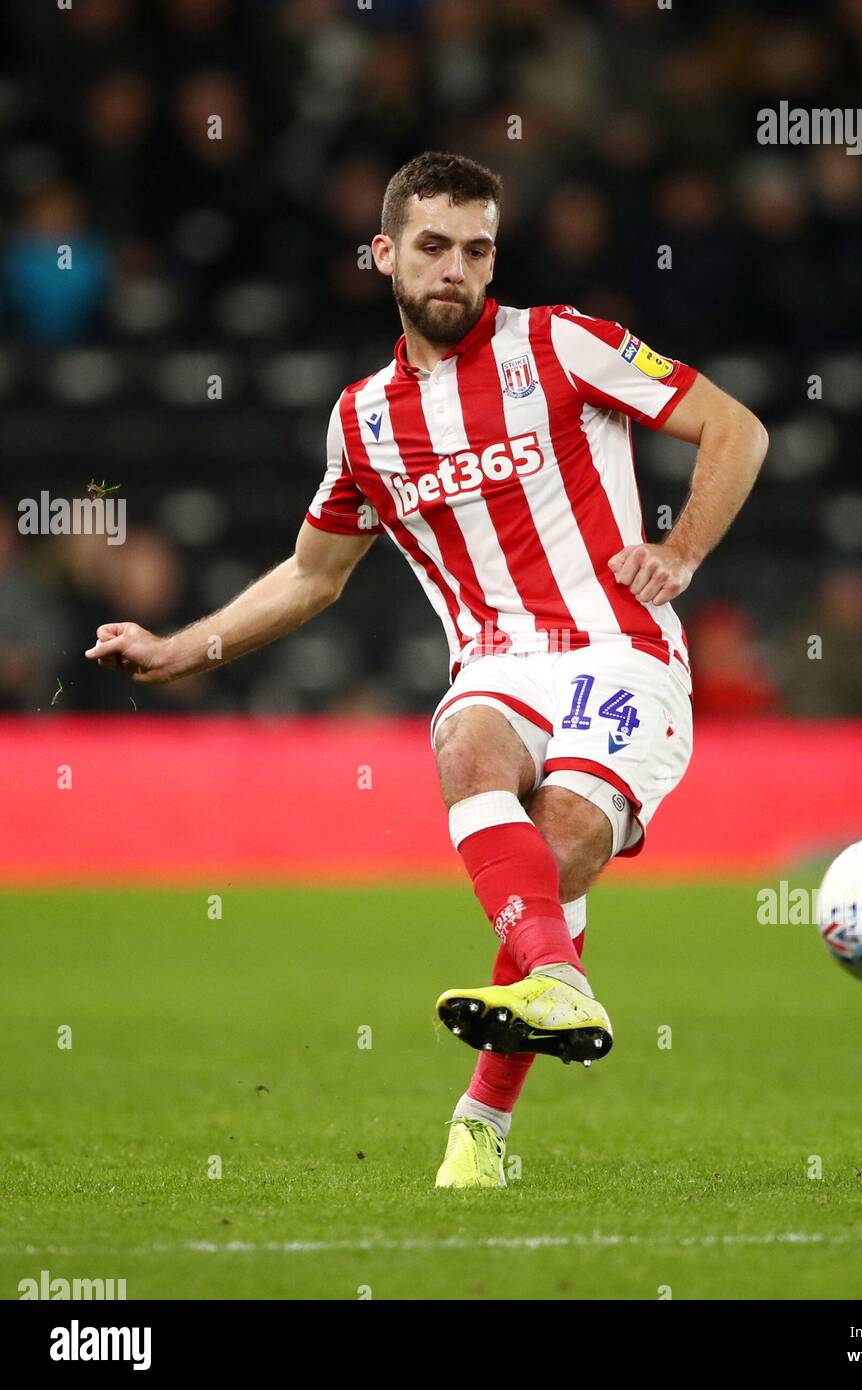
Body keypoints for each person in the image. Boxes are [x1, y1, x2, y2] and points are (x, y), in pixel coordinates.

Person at [85, 150, 768, 1189]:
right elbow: (314, 576)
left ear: (495, 261)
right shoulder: (362, 421)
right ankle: (552, 985)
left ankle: (484, 1116)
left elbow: (737, 425)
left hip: (623, 653)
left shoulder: (563, 344)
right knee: (465, 737)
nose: (457, 268)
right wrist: (182, 648)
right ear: (385, 255)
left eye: (478, 249)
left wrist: (679, 553)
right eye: (434, 245)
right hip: (495, 665)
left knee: (566, 843)